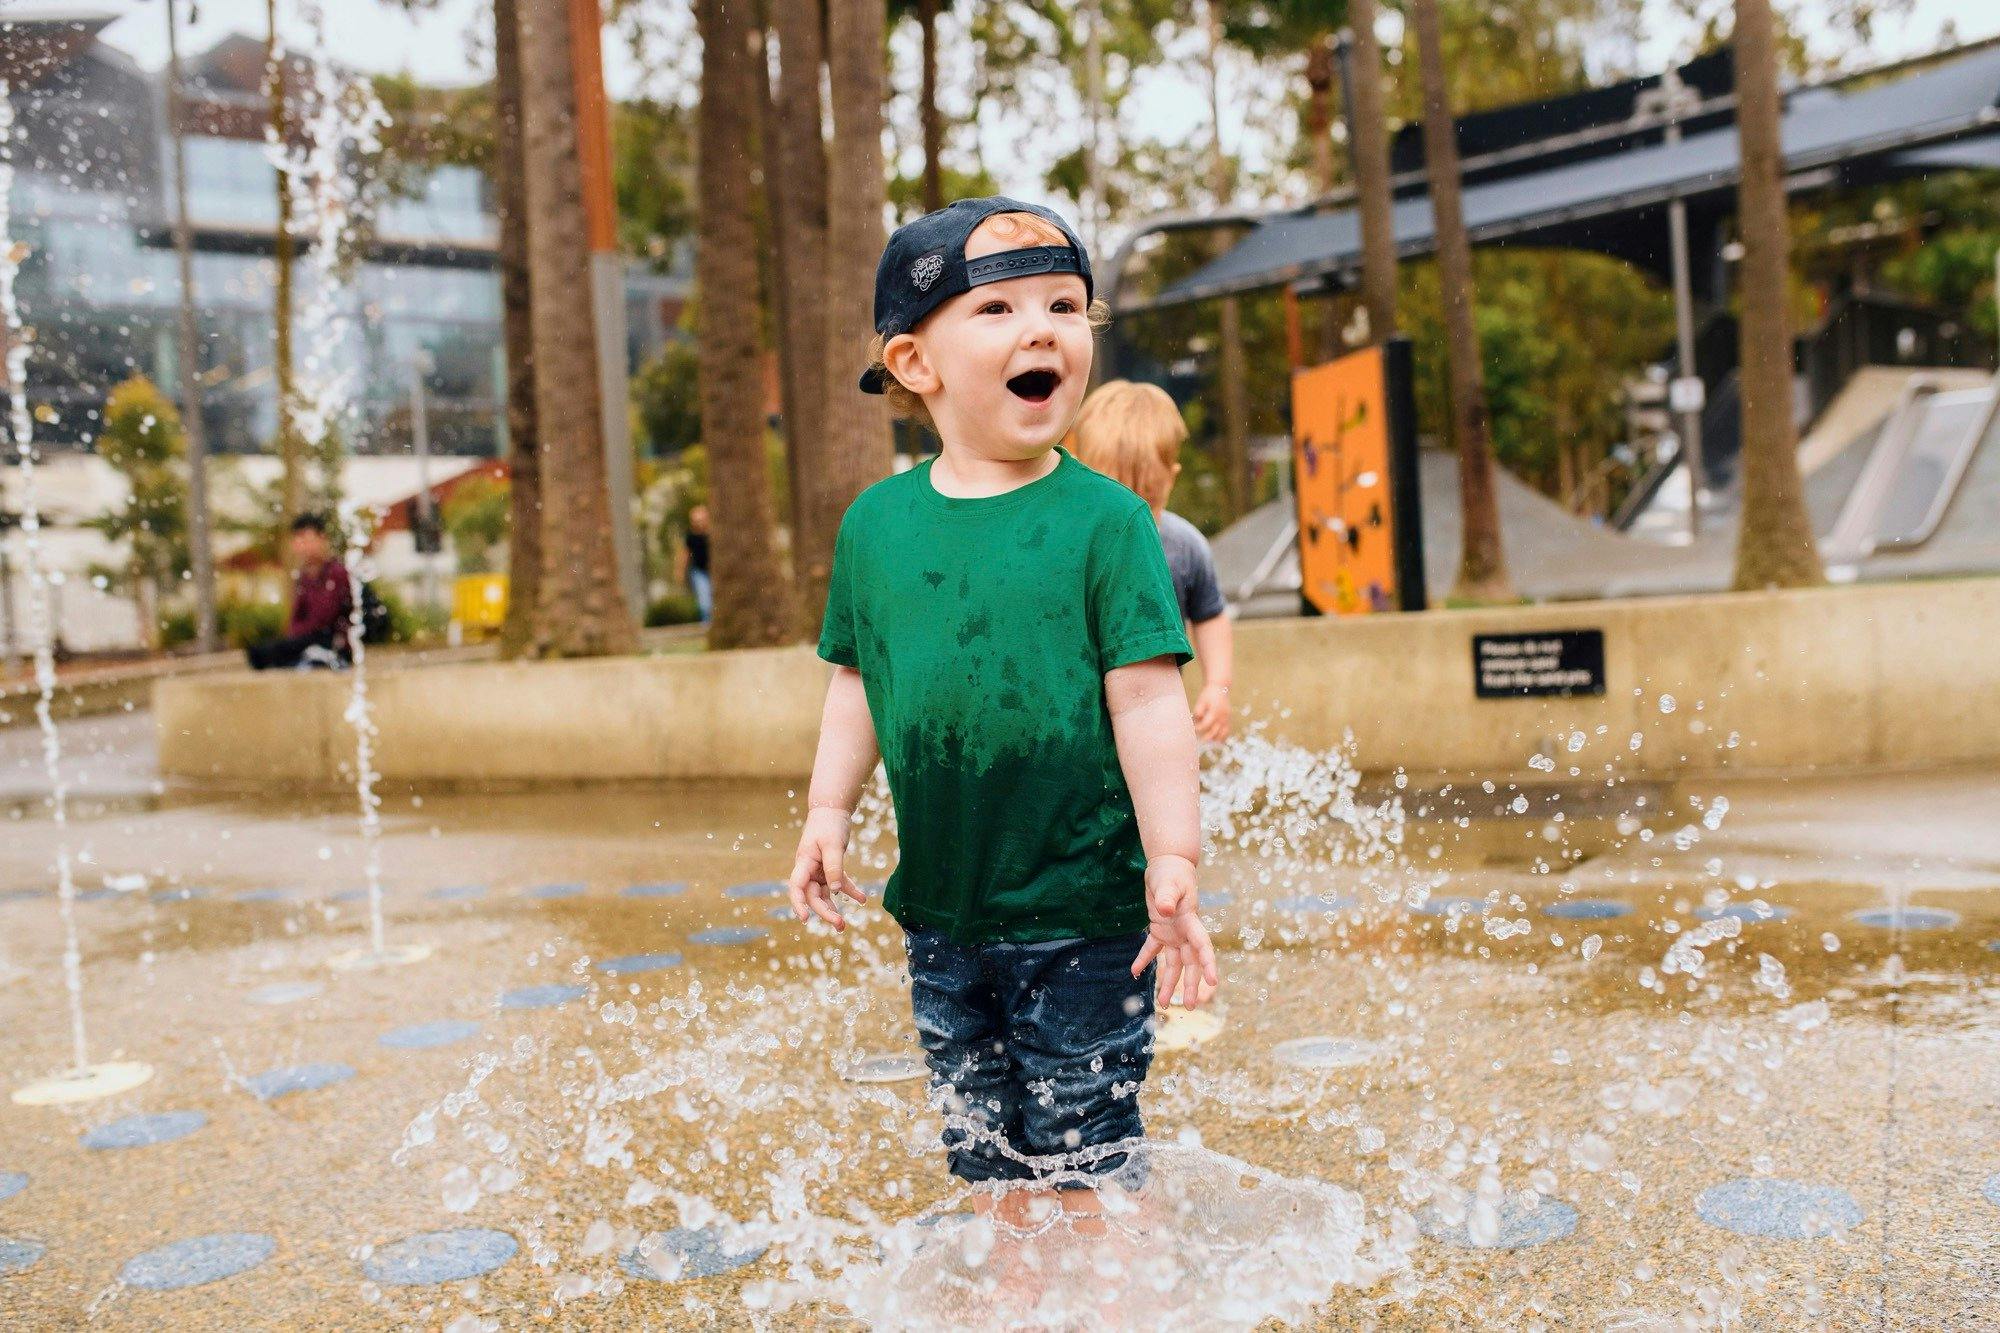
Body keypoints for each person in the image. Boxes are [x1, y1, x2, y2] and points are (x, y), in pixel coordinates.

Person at [786, 198, 1219, 1242]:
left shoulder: (1107, 523)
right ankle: (1019, 1297)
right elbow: (856, 678)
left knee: (1084, 1145)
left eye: (1065, 305)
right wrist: (824, 811)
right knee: (986, 1152)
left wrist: (1174, 853)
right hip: (941, 912)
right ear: (914, 362)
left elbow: (1150, 694)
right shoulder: (877, 526)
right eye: (998, 309)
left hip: (1083, 908)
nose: (1042, 329)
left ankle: (1118, 1302)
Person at [1071, 380, 1235, 742]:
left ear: (1171, 480)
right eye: (1115, 501)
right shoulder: (1071, 544)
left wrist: (1217, 687)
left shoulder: (1184, 547)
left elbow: (1210, 617)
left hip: (1156, 707)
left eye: (1146, 503)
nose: (1131, 522)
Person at [246, 513, 351, 671]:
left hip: (332, 641)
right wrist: (294, 637)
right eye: (297, 540)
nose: (300, 545)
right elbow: (296, 617)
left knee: (274, 651)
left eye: (305, 539)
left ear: (322, 539)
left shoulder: (336, 572)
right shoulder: (304, 577)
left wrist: (296, 638)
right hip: (309, 639)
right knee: (268, 650)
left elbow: (323, 618)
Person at [677, 504, 713, 624]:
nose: (699, 523)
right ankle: (706, 623)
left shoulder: (712, 534)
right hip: (699, 571)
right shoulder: (691, 537)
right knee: (704, 601)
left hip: (713, 571)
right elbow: (685, 554)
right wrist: (680, 571)